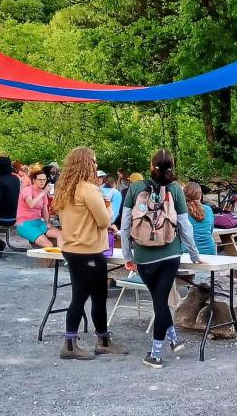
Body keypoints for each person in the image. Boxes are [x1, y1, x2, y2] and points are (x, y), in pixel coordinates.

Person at [120, 149, 200, 368]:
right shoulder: (175, 190)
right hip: (171, 254)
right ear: (172, 167)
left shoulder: (135, 188)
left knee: (159, 302)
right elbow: (185, 225)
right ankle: (173, 339)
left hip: (145, 257)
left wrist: (128, 255)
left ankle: (156, 355)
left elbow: (125, 225)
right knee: (160, 301)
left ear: (150, 165)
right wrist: (194, 254)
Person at [52, 147, 123, 360]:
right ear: (86, 164)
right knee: (97, 297)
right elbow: (104, 220)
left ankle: (79, 341)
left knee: (80, 296)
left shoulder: (64, 188)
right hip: (89, 250)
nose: (95, 165)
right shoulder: (89, 190)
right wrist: (109, 210)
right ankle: (95, 342)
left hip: (71, 248)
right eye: (93, 161)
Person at [17, 169, 63, 248]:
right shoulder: (28, 189)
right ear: (34, 180)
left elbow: (45, 211)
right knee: (48, 244)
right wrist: (43, 193)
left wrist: (47, 222)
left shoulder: (43, 192)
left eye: (44, 180)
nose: (42, 182)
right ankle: (53, 257)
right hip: (25, 223)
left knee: (62, 235)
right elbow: (31, 204)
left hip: (38, 222)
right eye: (40, 180)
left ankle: (61, 258)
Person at [185, 181, 216, 256]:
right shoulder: (208, 209)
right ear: (200, 195)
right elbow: (211, 230)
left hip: (188, 251)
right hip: (209, 250)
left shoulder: (182, 210)